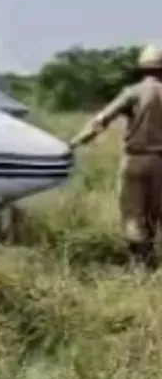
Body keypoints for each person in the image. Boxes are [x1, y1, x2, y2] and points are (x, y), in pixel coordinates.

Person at [69, 44, 162, 267]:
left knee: (134, 215)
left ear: (142, 68)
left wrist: (73, 143)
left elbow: (100, 121)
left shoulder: (132, 93)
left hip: (136, 161)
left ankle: (141, 266)